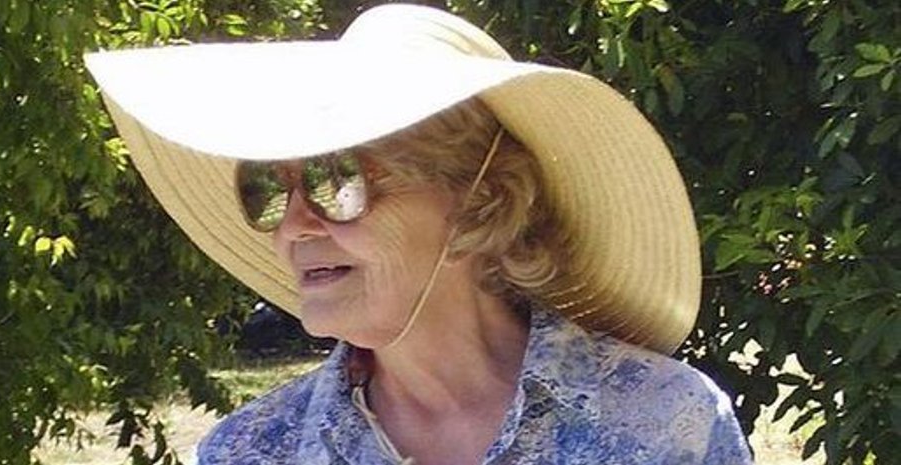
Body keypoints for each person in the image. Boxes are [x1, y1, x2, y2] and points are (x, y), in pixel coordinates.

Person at [85, 4, 753, 464]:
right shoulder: (252, 451)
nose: (293, 226)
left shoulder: (666, 424)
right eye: (266, 189)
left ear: (478, 196)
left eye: (335, 181)